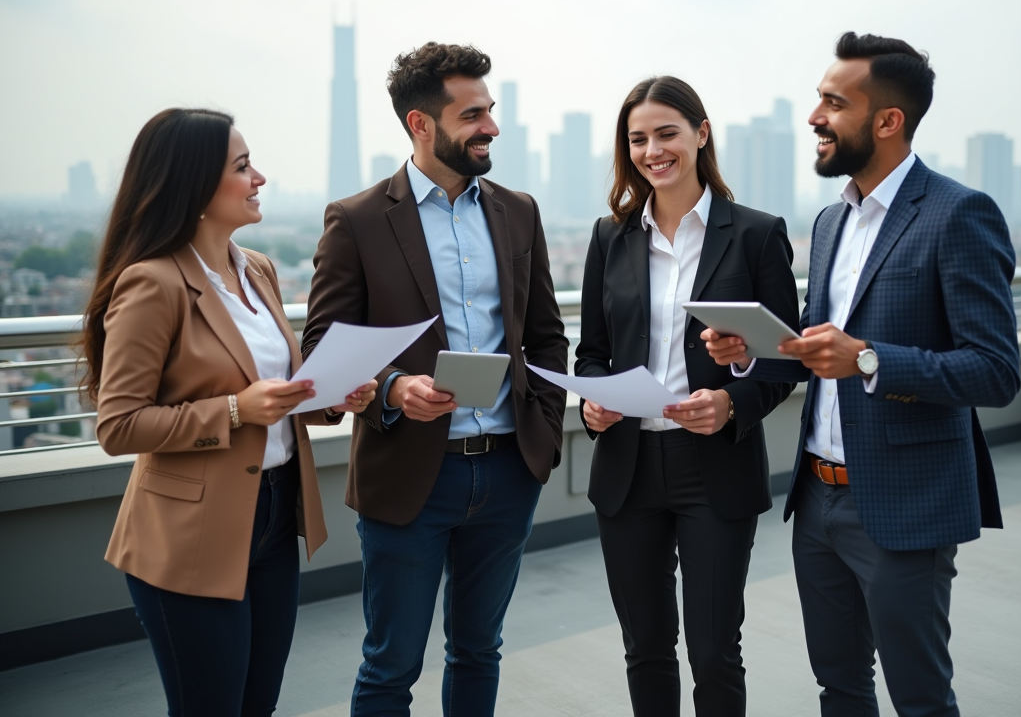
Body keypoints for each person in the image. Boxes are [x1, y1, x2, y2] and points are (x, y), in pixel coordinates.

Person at [704, 33, 1021, 716]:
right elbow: (820, 350)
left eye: (832, 102)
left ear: (887, 121)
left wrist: (870, 359)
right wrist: (752, 352)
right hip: (816, 500)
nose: (814, 117)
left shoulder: (958, 214)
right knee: (840, 688)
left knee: (920, 699)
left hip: (905, 507)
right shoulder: (827, 223)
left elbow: (995, 371)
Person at [302, 42, 568, 717]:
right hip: (408, 474)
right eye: (473, 114)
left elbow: (545, 335)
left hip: (508, 471)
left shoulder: (519, 211)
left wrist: (544, 435)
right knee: (391, 666)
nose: (491, 127)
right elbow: (326, 346)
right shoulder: (357, 220)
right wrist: (394, 390)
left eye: (491, 110)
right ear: (422, 125)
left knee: (480, 649)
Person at [83, 108, 377, 716]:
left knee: (257, 704)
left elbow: (278, 389)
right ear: (192, 184)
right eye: (243, 167)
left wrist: (329, 400)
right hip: (189, 533)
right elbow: (118, 426)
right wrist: (235, 411)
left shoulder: (258, 270)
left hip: (272, 516)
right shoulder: (153, 282)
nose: (260, 178)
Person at [574, 76, 800, 717]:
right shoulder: (608, 237)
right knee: (644, 646)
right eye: (638, 139)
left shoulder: (756, 235)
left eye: (667, 134)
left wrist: (733, 403)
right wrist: (594, 403)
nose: (653, 151)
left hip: (716, 468)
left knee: (714, 650)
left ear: (701, 134)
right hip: (627, 467)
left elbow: (785, 358)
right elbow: (591, 351)